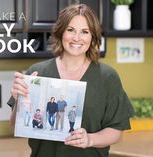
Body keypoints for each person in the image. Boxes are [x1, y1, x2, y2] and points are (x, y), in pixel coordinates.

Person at [8, 3, 134, 157]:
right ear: (61, 32)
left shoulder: (107, 77)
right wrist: (18, 101)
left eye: (85, 32)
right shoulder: (38, 73)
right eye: (71, 30)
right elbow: (16, 126)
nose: (77, 38)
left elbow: (116, 131)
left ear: (92, 36)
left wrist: (90, 139)